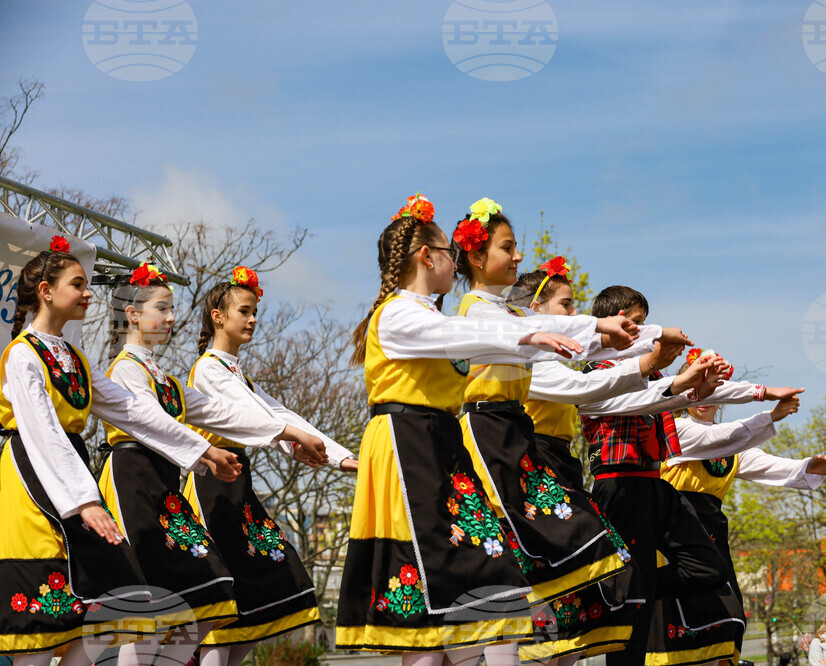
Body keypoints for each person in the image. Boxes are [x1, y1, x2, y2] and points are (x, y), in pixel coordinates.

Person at [335, 194, 596, 665]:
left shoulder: (432, 316)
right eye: (448, 253)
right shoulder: (397, 313)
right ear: (426, 257)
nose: (454, 262)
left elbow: (486, 334)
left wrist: (603, 330)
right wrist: (527, 335)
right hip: (405, 444)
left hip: (440, 446)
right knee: (425, 584)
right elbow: (462, 335)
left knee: (483, 576)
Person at [0, 237, 224, 665]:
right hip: (33, 482)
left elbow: (131, 410)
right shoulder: (22, 356)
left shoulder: (75, 358)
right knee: (41, 628)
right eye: (78, 284)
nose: (88, 293)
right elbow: (43, 432)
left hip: (70, 475)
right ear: (46, 291)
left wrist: (200, 450)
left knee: (121, 605)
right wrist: (86, 501)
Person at [100, 263, 326, 665]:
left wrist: (290, 433)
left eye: (172, 310)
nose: (171, 318)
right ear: (132, 313)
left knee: (215, 587)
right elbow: (148, 421)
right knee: (152, 607)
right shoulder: (125, 369)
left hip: (164, 487)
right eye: (162, 308)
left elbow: (221, 414)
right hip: (133, 481)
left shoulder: (165, 379)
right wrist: (204, 452)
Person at [506, 262, 687, 665]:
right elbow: (584, 388)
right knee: (549, 578)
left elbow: (605, 365)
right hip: (529, 458)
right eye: (567, 305)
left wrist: (672, 375)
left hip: (559, 463)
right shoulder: (528, 356)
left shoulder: (554, 356)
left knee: (574, 587)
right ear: (536, 308)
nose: (576, 315)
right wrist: (656, 363)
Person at [185, 265, 355, 666]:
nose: (252, 319)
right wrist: (291, 436)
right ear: (218, 316)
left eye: (254, 311)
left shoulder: (236, 373)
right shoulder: (209, 369)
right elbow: (255, 415)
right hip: (212, 492)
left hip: (238, 489)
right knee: (225, 608)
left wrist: (342, 457)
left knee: (272, 592)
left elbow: (276, 411)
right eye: (244, 310)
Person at [645, 349, 826, 666]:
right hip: (673, 537)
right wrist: (770, 416)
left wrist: (808, 466)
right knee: (680, 626)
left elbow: (764, 463)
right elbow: (714, 438)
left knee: (727, 622)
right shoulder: (674, 432)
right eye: (693, 389)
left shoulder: (731, 448)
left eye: (710, 390)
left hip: (711, 539)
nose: (703, 398)